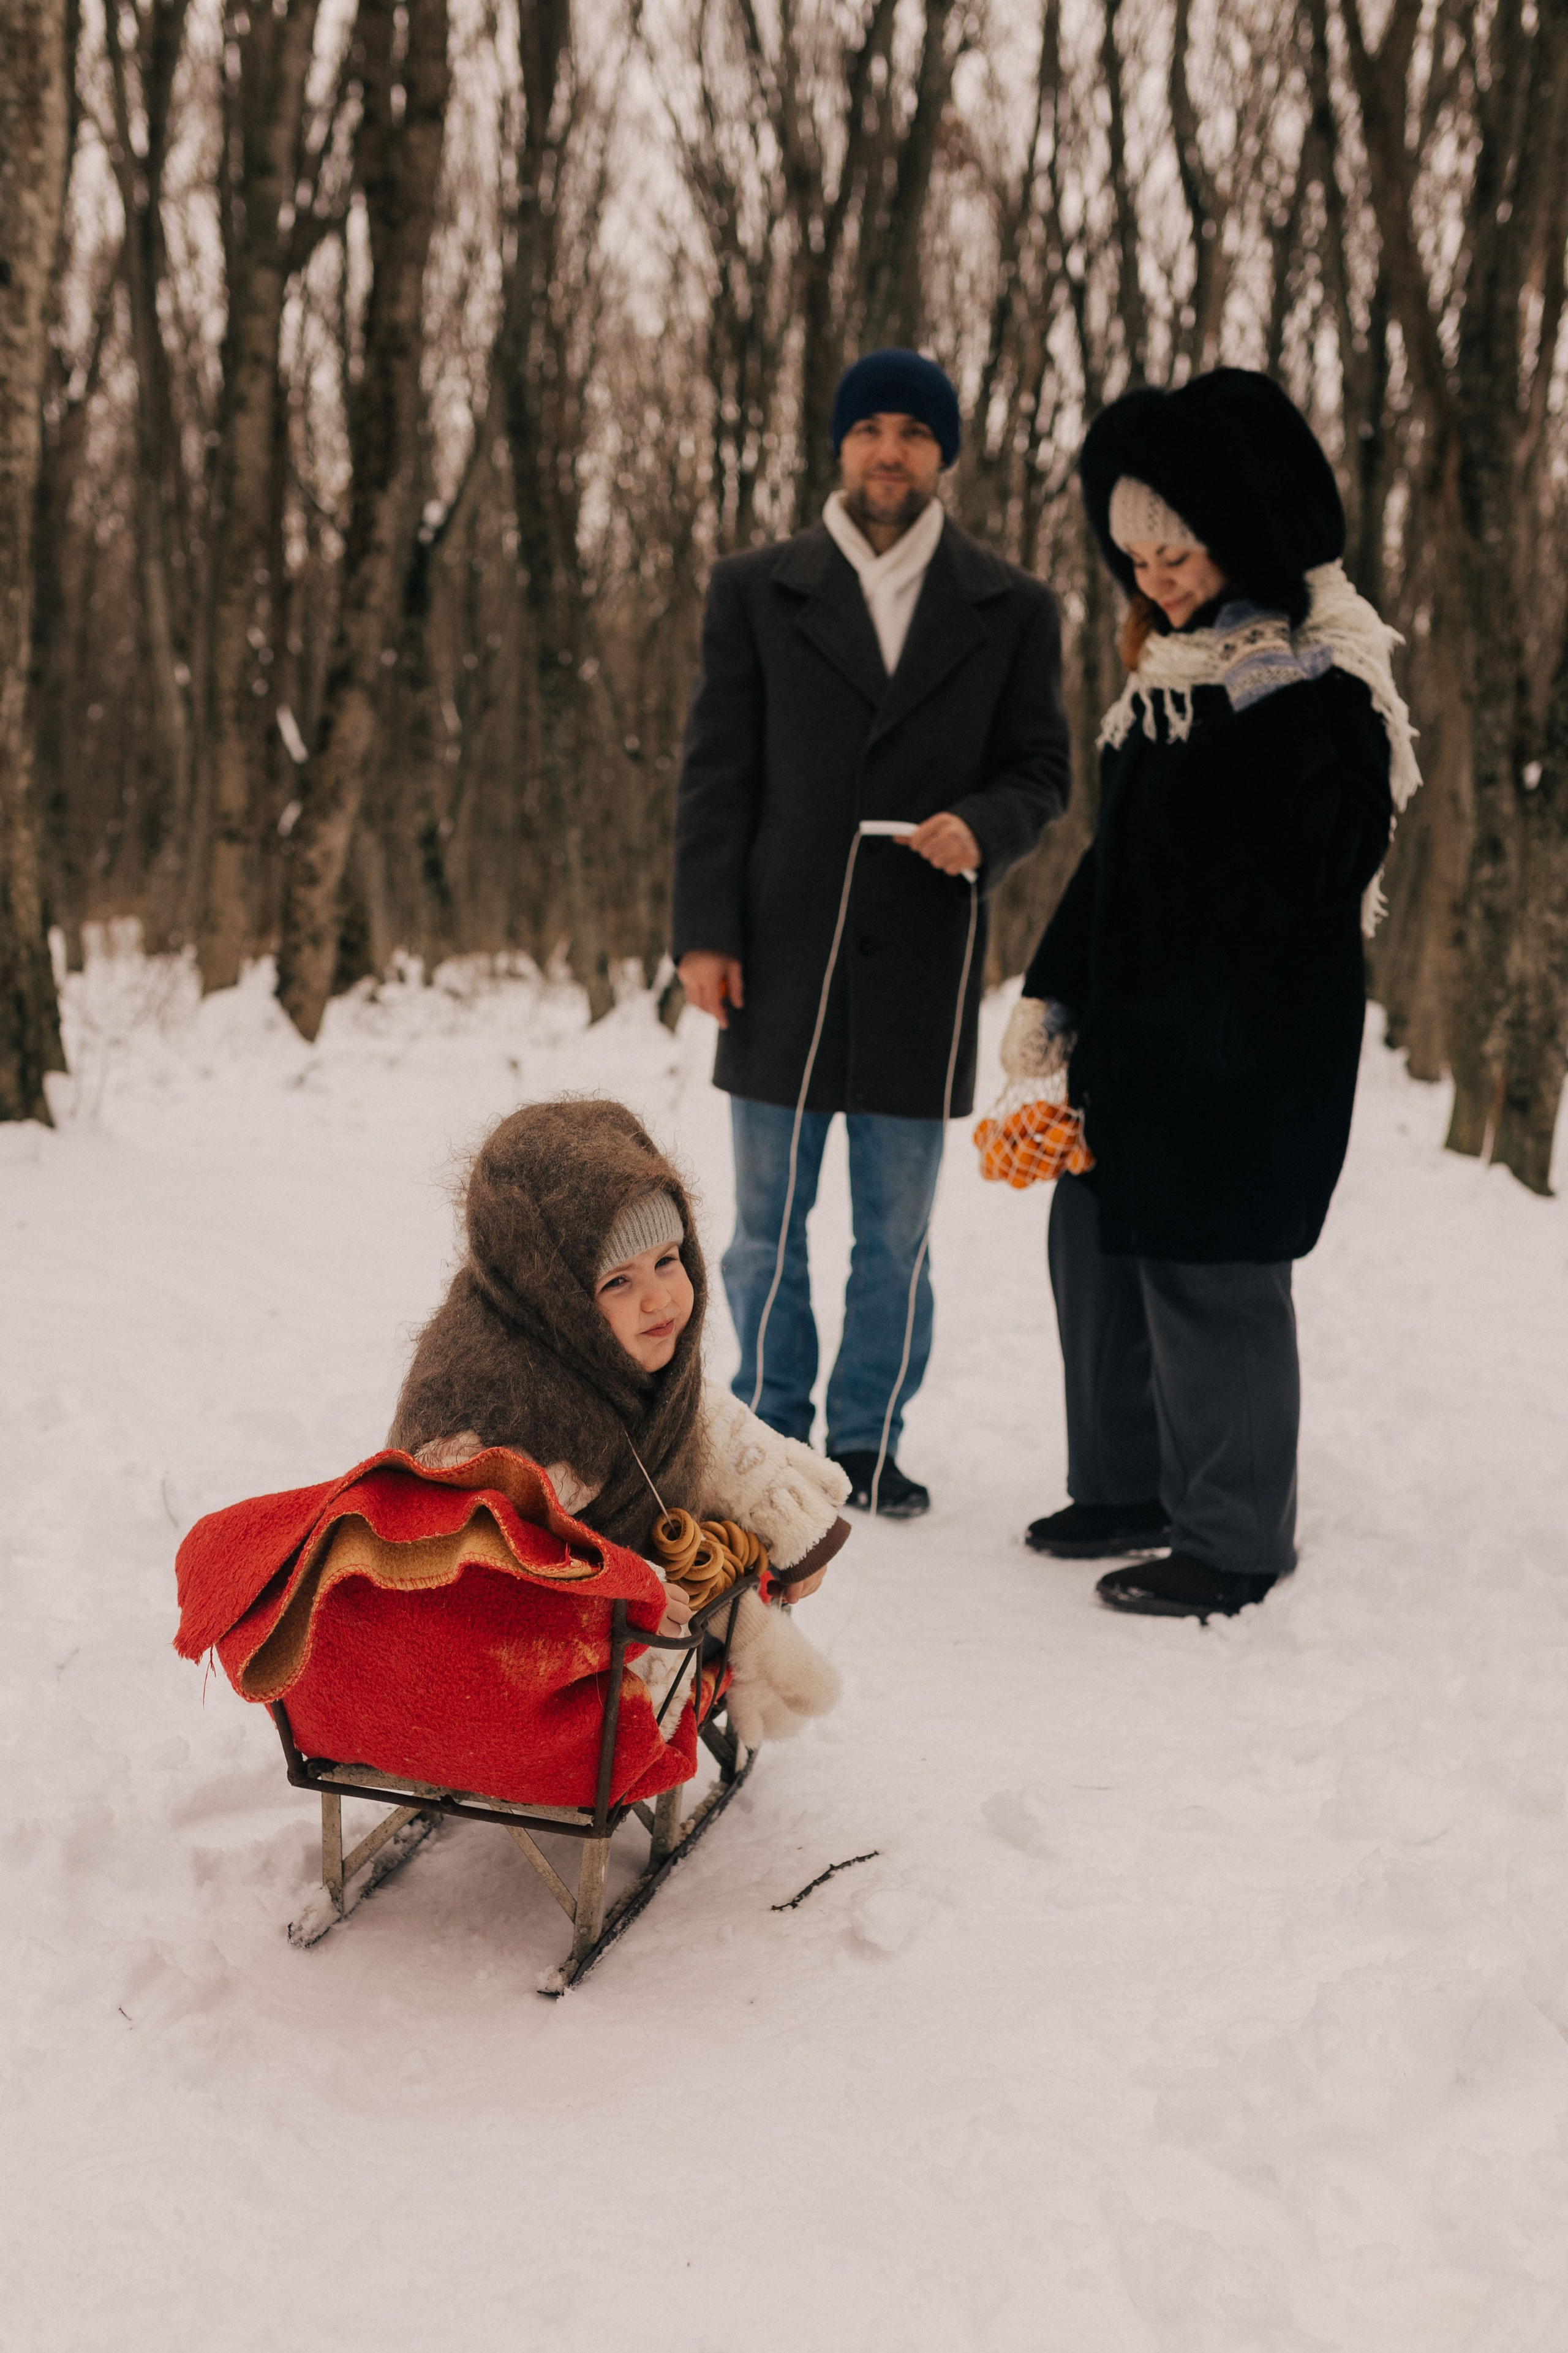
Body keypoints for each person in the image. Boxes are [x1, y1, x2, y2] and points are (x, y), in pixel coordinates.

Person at [1011, 369, 1414, 1620]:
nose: (1152, 581)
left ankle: (1232, 1538)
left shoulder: (1318, 680)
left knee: (1211, 1274)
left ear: (1235, 537)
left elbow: (1330, 858)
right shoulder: (1164, 685)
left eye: (1174, 553)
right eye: (1134, 557)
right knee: (1094, 1254)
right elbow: (1116, 862)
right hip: (1137, 1046)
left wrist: (1272, 695)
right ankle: (1128, 1483)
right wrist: (1053, 993)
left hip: (1248, 1052)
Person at [673, 348, 1072, 1517]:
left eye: (911, 431)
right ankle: (769, 1428)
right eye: (867, 431)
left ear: (943, 454)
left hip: (923, 952)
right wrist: (705, 931)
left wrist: (984, 826)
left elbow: (1042, 770)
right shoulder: (755, 588)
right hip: (777, 946)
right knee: (764, 1229)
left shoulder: (1012, 607)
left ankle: (868, 1441)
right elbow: (714, 771)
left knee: (894, 1237)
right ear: (838, 447)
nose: (887, 451)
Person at [388, 1097, 850, 1740]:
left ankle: (737, 1654)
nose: (660, 1296)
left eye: (667, 1260)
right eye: (618, 1282)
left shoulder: (607, 1348)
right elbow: (486, 1550)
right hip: (523, 1635)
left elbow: (702, 1422)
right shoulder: (489, 1402)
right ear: (559, 1298)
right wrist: (625, 1587)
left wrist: (797, 1531)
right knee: (673, 1611)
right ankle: (633, 1735)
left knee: (714, 1525)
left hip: (638, 1560)